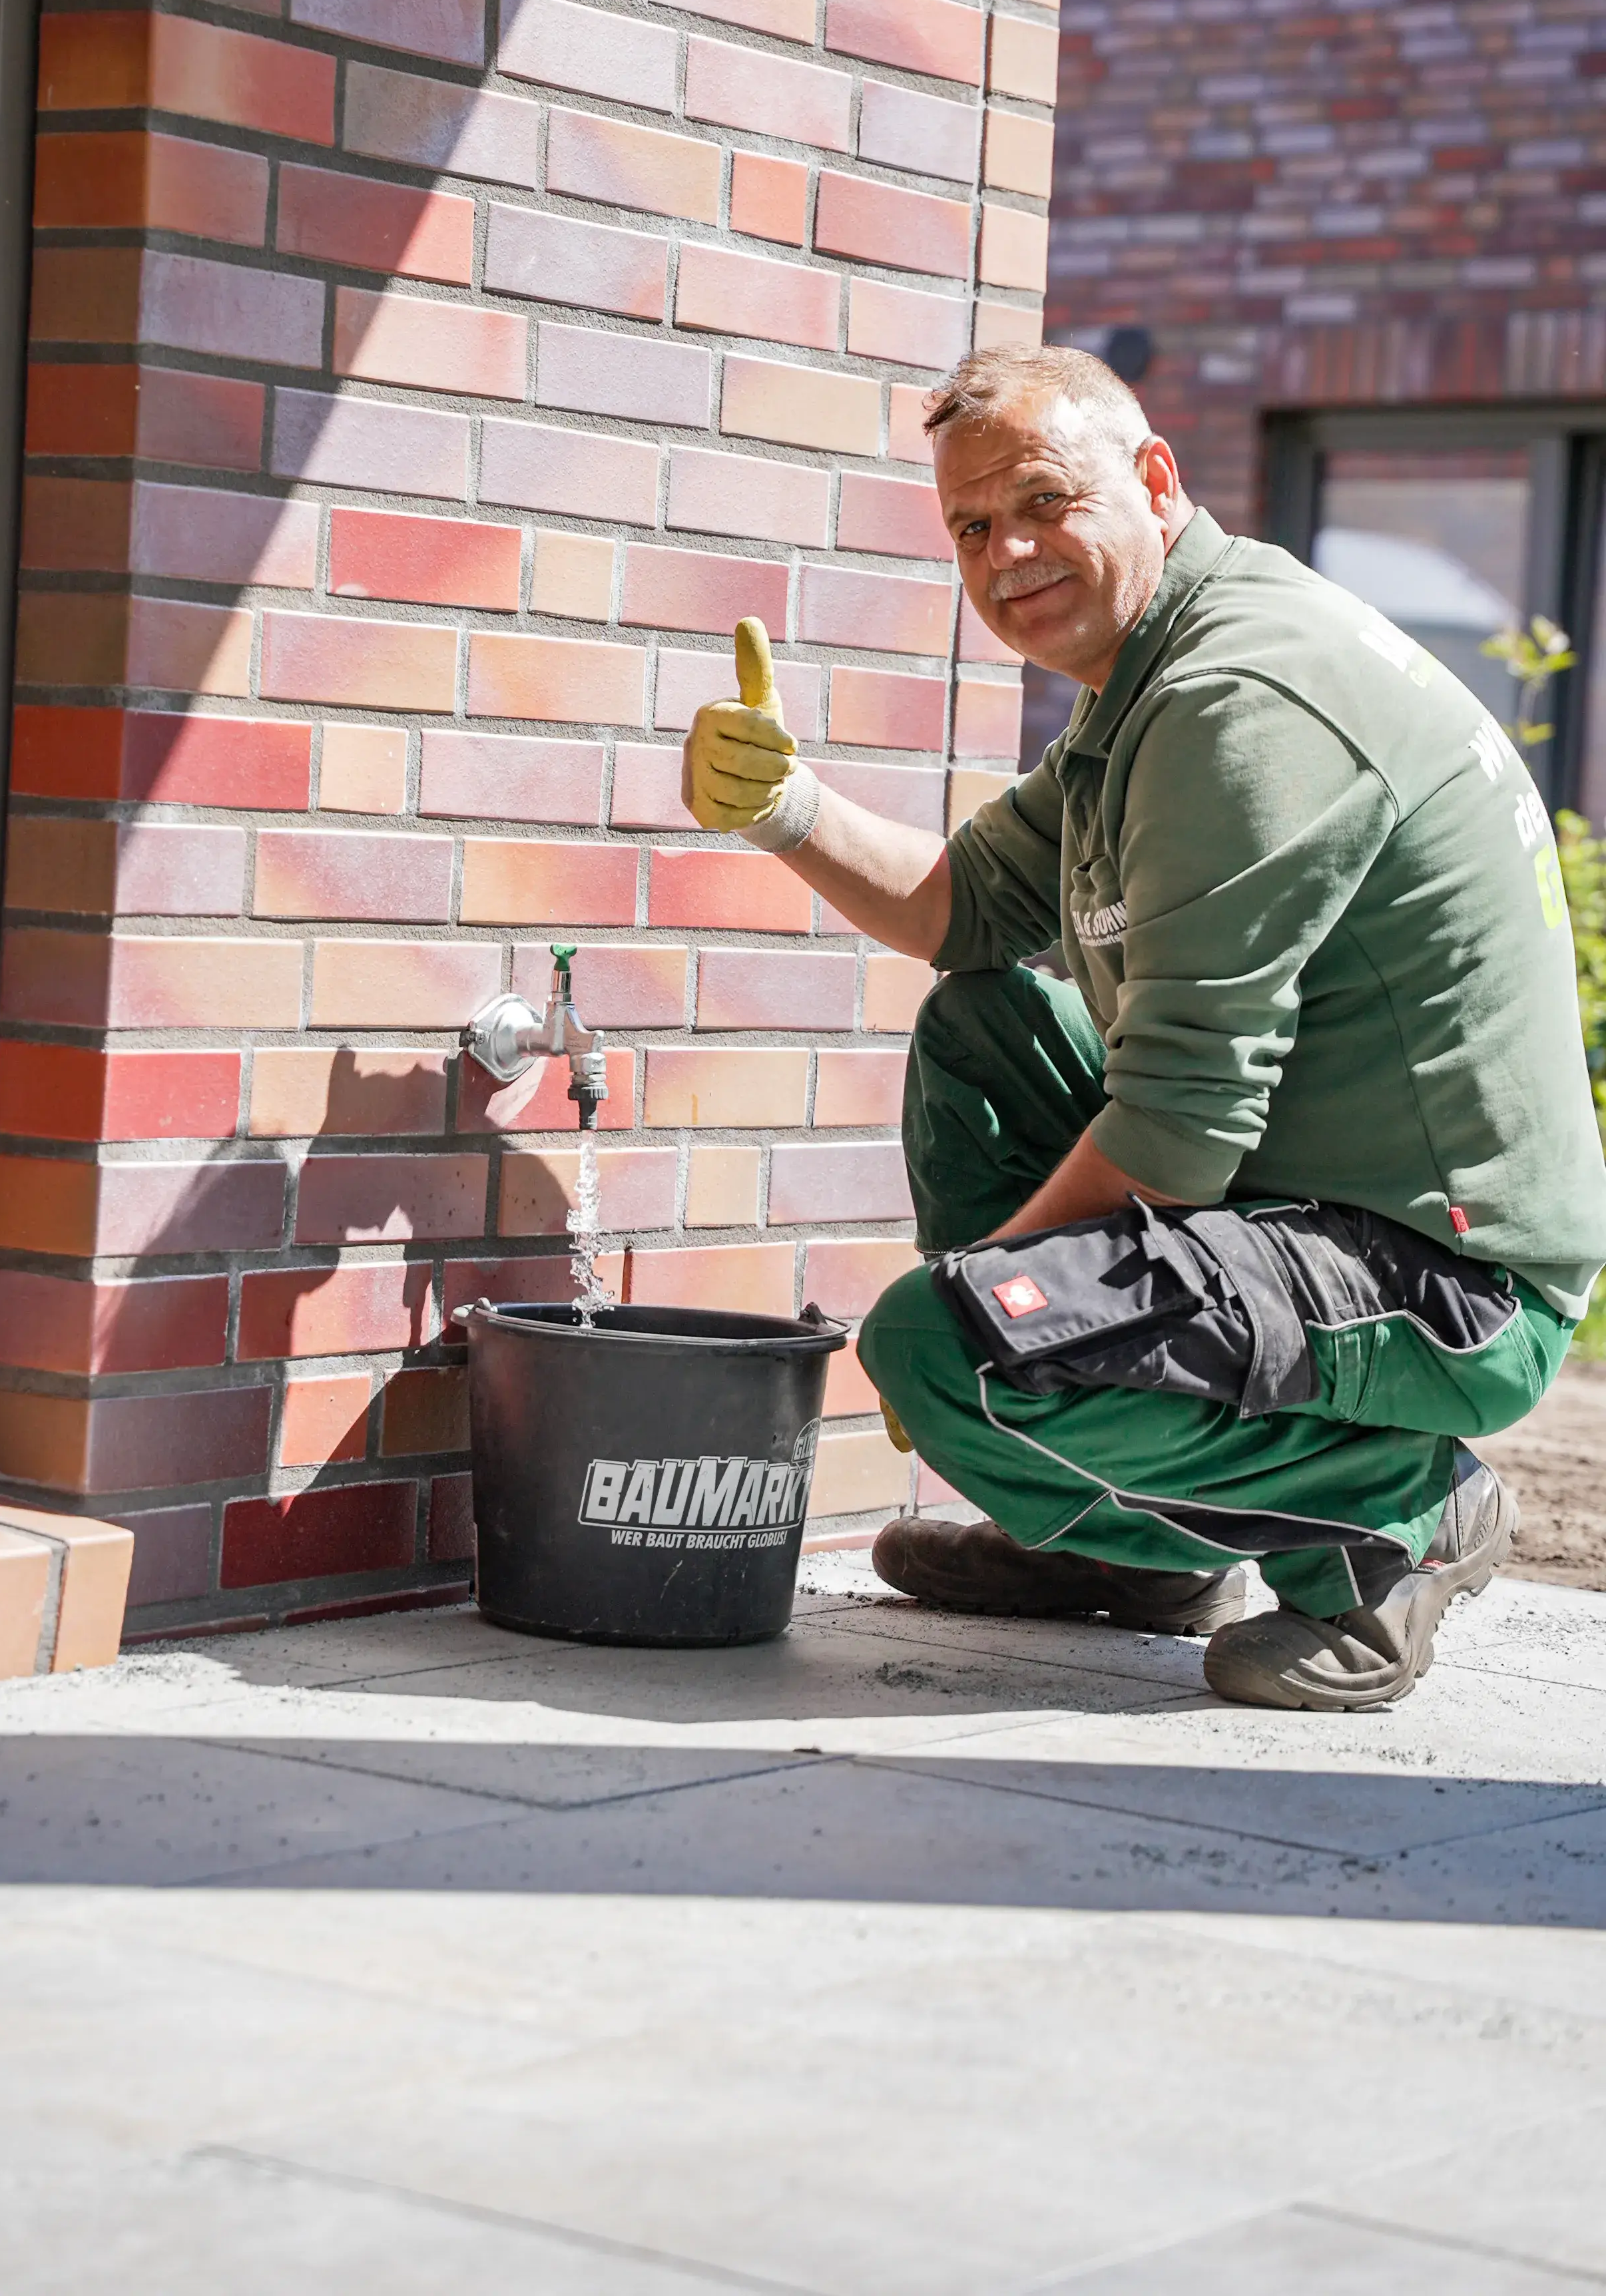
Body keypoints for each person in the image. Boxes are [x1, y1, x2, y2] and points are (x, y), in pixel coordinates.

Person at [679, 345, 1606, 1710]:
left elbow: (1174, 1134)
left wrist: (968, 1323)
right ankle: (1129, 1541)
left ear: (1154, 478)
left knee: (948, 1346)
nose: (1009, 552)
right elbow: (967, 908)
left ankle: (1392, 1519)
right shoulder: (1154, 673)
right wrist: (787, 810)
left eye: (1046, 501)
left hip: (1442, 1280)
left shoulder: (1238, 701)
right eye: (973, 527)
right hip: (1301, 1208)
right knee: (985, 1032)